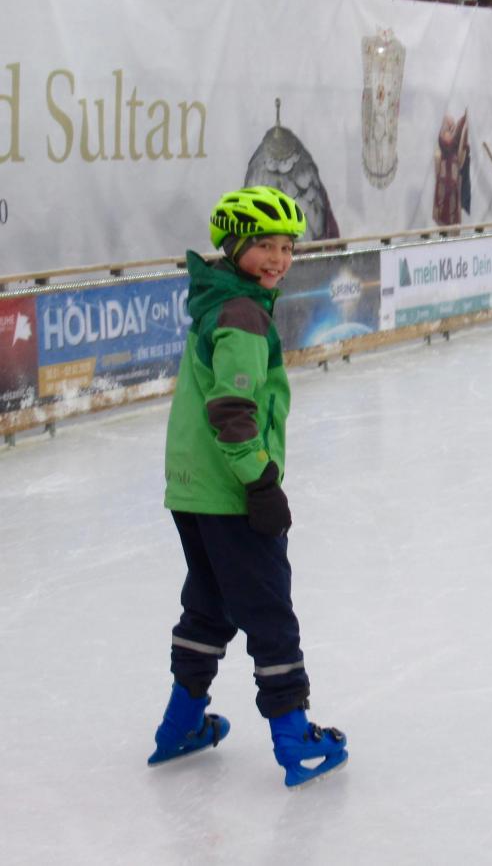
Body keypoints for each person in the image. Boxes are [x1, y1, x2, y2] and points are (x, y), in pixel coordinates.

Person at [147, 186, 348, 788]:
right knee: (268, 610)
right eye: (264, 245)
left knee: (208, 604)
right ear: (234, 246)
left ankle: (180, 724)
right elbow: (233, 409)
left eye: (287, 247)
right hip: (233, 490)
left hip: (192, 489)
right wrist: (261, 482)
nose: (278, 258)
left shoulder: (217, 299)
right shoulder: (243, 314)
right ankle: (295, 740)